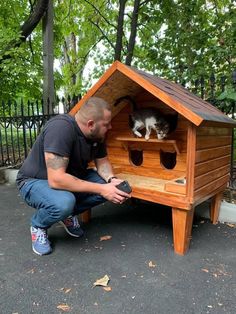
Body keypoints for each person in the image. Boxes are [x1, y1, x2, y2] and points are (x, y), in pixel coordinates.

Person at [16, 97, 131, 256]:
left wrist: (111, 180)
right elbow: (56, 179)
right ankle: (38, 225)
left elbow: (102, 163)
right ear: (90, 124)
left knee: (112, 187)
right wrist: (103, 189)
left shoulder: (97, 136)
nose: (110, 127)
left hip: (67, 179)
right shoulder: (61, 129)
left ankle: (67, 214)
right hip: (35, 182)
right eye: (106, 124)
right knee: (64, 202)